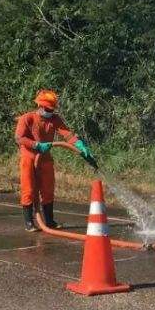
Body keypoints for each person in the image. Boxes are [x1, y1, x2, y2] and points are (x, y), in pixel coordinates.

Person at [15, 89, 94, 232]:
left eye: (51, 109)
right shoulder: (27, 118)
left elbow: (67, 135)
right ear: (39, 106)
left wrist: (79, 145)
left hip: (45, 159)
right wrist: (36, 145)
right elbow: (19, 138)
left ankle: (50, 221)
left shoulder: (54, 119)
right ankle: (29, 222)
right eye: (47, 109)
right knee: (29, 189)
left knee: (48, 189)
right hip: (29, 158)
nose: (49, 111)